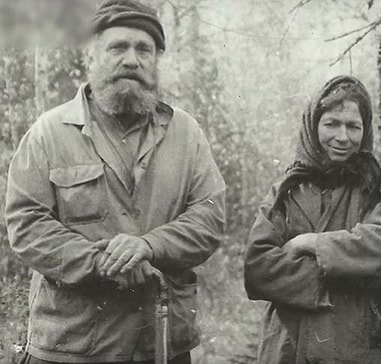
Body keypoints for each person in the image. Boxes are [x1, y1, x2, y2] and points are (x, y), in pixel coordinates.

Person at [5, 0, 226, 363]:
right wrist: (103, 263)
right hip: (72, 346)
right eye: (117, 47)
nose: (131, 60)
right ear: (92, 55)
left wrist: (150, 246)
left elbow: (211, 216)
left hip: (161, 343)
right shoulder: (49, 132)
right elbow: (26, 225)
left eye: (144, 49)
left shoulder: (186, 132)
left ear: (156, 60)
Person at [244, 75, 381, 364]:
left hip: (362, 348)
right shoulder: (286, 191)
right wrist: (347, 270)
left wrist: (309, 243)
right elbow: (258, 269)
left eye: (353, 126)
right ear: (313, 125)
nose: (342, 137)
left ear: (366, 130)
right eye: (331, 124)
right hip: (291, 348)